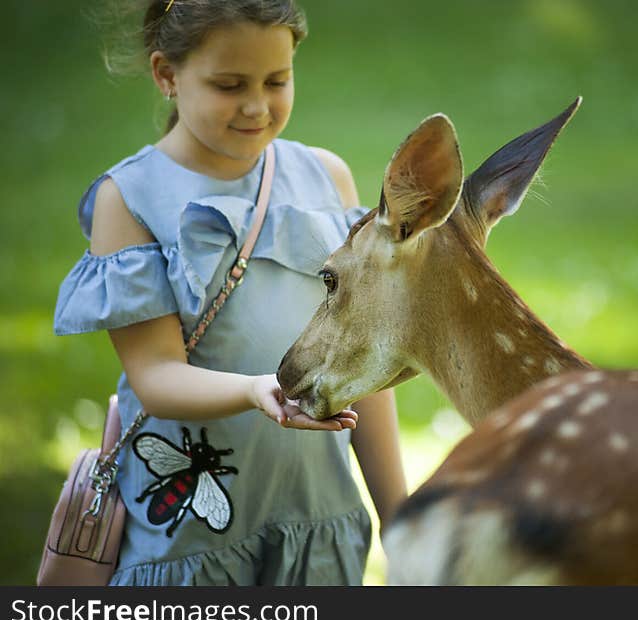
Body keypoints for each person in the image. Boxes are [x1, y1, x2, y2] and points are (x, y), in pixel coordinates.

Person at [53, 0, 406, 585]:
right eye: (228, 84)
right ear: (167, 74)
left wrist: (400, 521)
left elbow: (363, 366)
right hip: (190, 543)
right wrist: (254, 390)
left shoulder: (327, 178)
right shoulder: (130, 198)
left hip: (315, 523)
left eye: (277, 81)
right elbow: (156, 376)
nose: (256, 106)